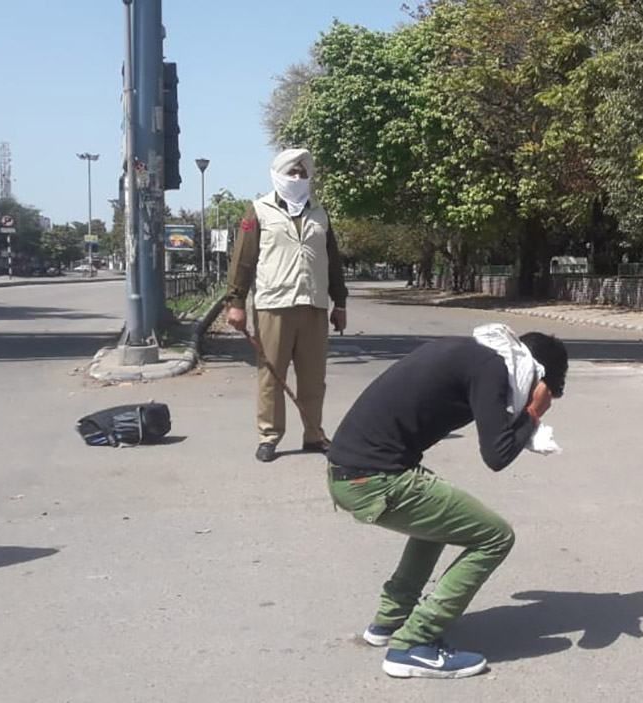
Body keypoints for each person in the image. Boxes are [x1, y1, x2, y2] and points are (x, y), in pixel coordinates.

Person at [326, 329, 569, 679]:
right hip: (372, 478)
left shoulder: (475, 354)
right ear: (537, 375)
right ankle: (414, 643)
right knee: (496, 537)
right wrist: (533, 412)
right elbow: (498, 454)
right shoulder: (491, 368)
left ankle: (391, 620)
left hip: (350, 472)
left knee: (443, 517)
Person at [225, 148, 348, 462]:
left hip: (314, 305)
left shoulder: (320, 213)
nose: (297, 177)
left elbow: (333, 262)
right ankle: (269, 436)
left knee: (313, 379)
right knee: (271, 376)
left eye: (302, 173)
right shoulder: (259, 211)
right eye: (291, 172)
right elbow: (243, 261)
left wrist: (340, 303)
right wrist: (236, 302)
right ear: (278, 175)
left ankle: (314, 435)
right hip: (273, 305)